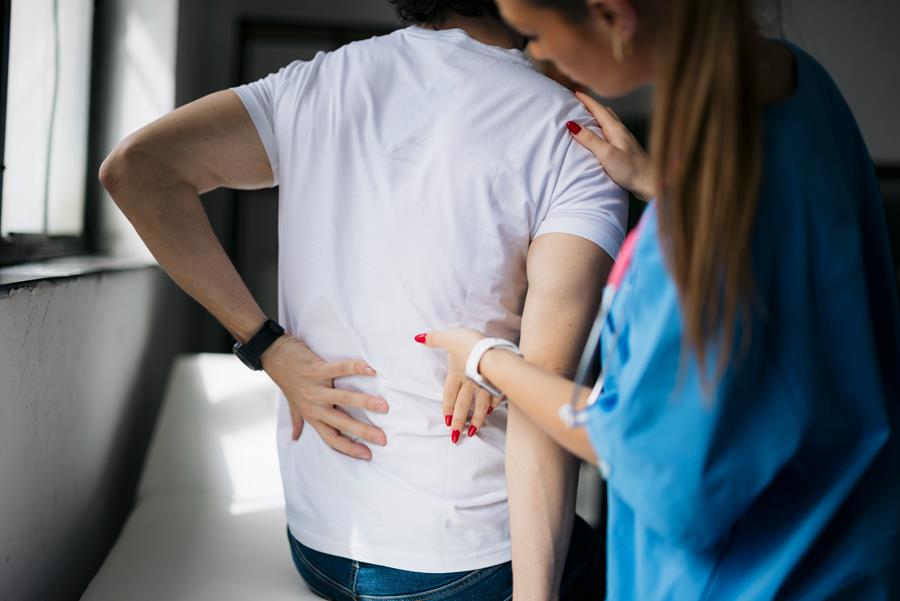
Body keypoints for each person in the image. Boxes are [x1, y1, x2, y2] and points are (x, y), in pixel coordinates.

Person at [99, 1, 628, 599]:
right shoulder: (577, 141)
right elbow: (546, 408)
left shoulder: (315, 84)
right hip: (472, 563)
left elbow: (135, 168)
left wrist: (265, 344)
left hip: (320, 549)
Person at [423, 0, 900, 598]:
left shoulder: (694, 241)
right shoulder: (798, 84)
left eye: (537, 33)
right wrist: (659, 186)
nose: (537, 53)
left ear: (613, 16)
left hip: (751, 577)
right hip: (853, 547)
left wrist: (485, 358)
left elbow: (645, 454)